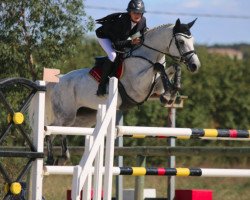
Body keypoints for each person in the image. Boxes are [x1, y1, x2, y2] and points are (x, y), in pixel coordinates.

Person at [95, 0, 148, 96]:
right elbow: (116, 44)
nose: (137, 15)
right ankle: (101, 86)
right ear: (129, 12)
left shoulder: (143, 21)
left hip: (120, 38)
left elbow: (143, 34)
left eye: (139, 13)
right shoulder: (122, 21)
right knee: (113, 55)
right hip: (105, 36)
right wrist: (131, 42)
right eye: (134, 12)